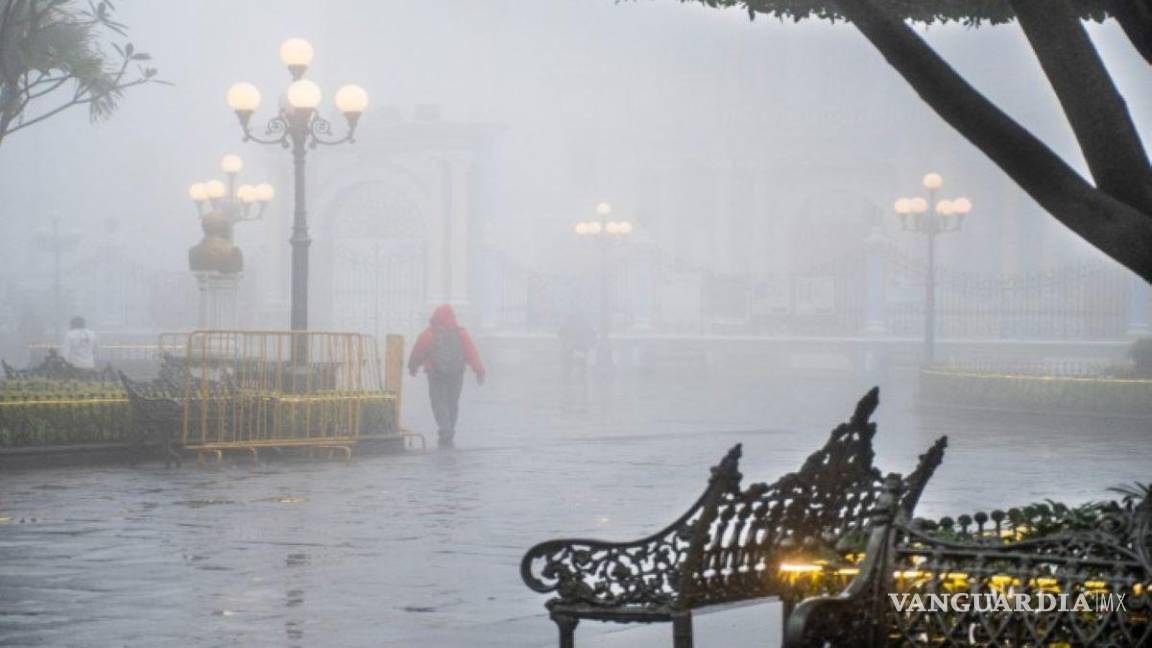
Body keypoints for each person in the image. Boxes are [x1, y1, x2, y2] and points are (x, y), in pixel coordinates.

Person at [408, 305, 485, 448]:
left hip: (435, 374)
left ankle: (445, 429)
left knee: (439, 402)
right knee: (452, 402)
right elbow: (472, 353)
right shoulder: (461, 334)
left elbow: (418, 352)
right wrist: (479, 371)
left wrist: (413, 367)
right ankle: (450, 429)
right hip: (456, 373)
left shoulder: (429, 334)